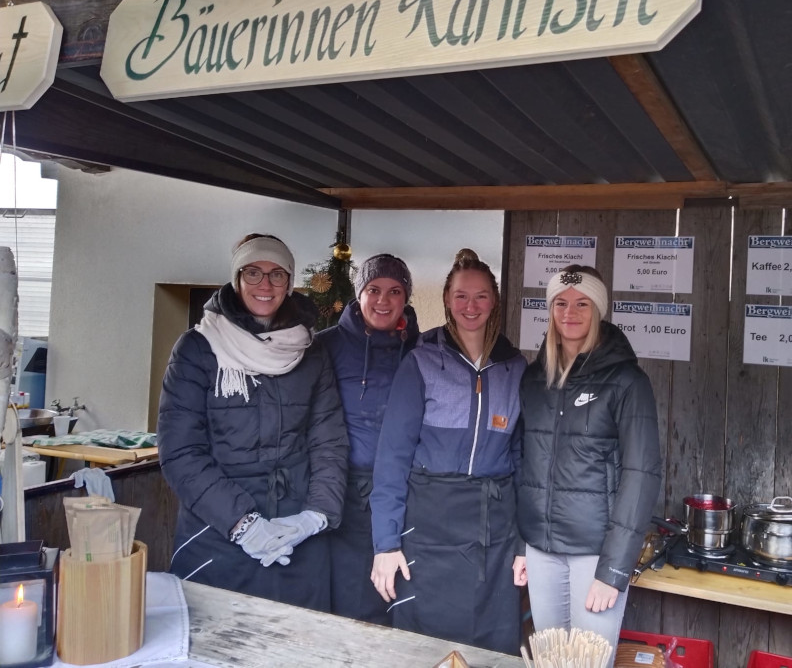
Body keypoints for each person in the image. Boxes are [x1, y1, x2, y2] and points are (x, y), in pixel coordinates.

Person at [158, 234, 349, 610]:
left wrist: (315, 516)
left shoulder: (310, 351)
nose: (266, 284)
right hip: (218, 528)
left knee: (302, 634)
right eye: (253, 272)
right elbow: (181, 452)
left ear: (289, 283)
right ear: (237, 278)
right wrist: (243, 525)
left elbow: (329, 441)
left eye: (277, 274)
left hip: (295, 529)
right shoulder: (198, 349)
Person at [369, 249, 527, 654]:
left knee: (491, 648)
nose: (470, 306)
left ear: (494, 300)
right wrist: (386, 544)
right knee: (423, 648)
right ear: (446, 299)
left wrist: (524, 545)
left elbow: (525, 463)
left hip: (494, 531)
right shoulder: (421, 362)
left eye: (480, 296)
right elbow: (392, 459)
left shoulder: (515, 368)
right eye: (461, 296)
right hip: (429, 528)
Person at [517, 265, 661, 664]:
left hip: (594, 554)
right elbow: (524, 464)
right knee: (550, 660)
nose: (570, 313)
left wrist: (613, 570)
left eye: (582, 303)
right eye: (560, 303)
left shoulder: (627, 382)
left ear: (598, 310)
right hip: (541, 550)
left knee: (588, 662)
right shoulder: (534, 379)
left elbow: (641, 476)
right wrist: (521, 544)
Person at [318, 253, 420, 624]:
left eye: (395, 291)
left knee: (399, 599)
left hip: (406, 492)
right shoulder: (326, 346)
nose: (383, 300)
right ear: (359, 294)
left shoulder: (422, 351)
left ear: (405, 298)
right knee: (351, 603)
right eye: (374, 289)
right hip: (345, 495)